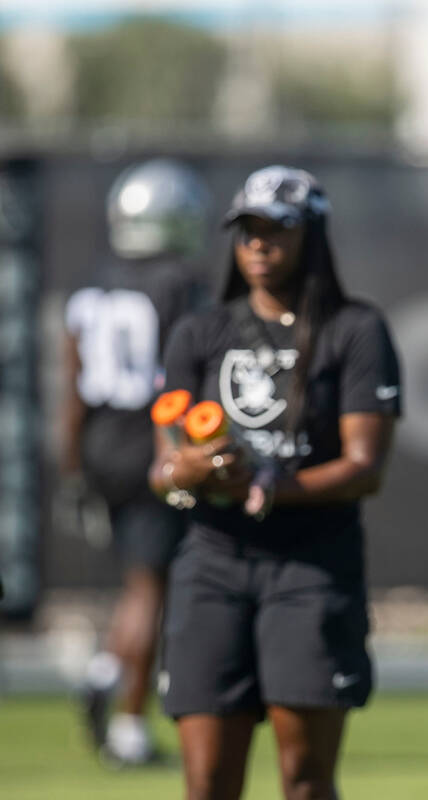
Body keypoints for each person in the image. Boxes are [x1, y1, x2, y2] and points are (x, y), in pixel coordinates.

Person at [148, 165, 402, 800]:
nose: (258, 244)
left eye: (276, 230)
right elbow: (165, 464)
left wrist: (268, 484)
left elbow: (364, 467)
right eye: (246, 231)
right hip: (212, 563)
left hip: (310, 567)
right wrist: (190, 470)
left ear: (311, 235)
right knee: (206, 782)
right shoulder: (198, 331)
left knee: (305, 778)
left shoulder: (356, 329)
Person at [64, 157, 209, 766]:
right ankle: (125, 718)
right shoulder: (181, 286)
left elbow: (72, 385)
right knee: (153, 589)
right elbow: (188, 374)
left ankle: (106, 671)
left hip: (100, 446)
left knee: (139, 583)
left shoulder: (94, 286)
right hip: (153, 445)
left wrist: (72, 466)